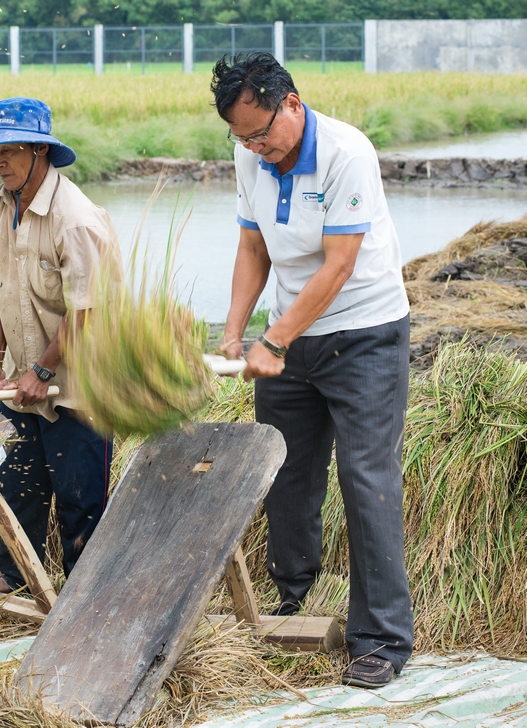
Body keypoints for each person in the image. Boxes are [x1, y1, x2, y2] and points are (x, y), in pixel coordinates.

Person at [211, 52, 413, 688]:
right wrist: (235, 331)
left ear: (291, 103)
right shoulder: (251, 155)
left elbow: (338, 266)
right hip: (289, 335)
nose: (255, 147)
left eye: (262, 132)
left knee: (365, 477)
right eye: (241, 137)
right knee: (287, 473)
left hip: (364, 335)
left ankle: (381, 639)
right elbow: (252, 246)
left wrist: (273, 340)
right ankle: (290, 599)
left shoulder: (347, 153)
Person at [0, 97, 120, 597]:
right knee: (19, 485)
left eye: (10, 151)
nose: (0, 162)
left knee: (79, 495)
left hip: (78, 382)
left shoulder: (75, 220)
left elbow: (87, 313)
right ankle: (18, 576)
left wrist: (43, 372)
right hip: (20, 379)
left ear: (40, 152)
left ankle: (84, 592)